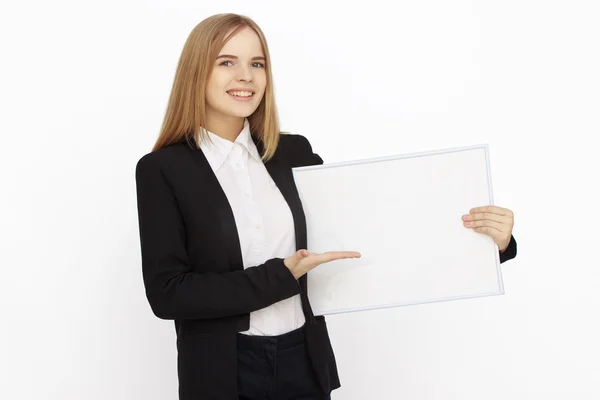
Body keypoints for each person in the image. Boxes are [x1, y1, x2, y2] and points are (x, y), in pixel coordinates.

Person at [134, 13, 518, 400]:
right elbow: (168, 293)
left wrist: (488, 245)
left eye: (257, 63)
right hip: (222, 372)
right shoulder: (163, 170)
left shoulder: (293, 153)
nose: (246, 76)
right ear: (196, 72)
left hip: (303, 361)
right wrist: (280, 276)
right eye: (226, 62)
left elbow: (365, 235)